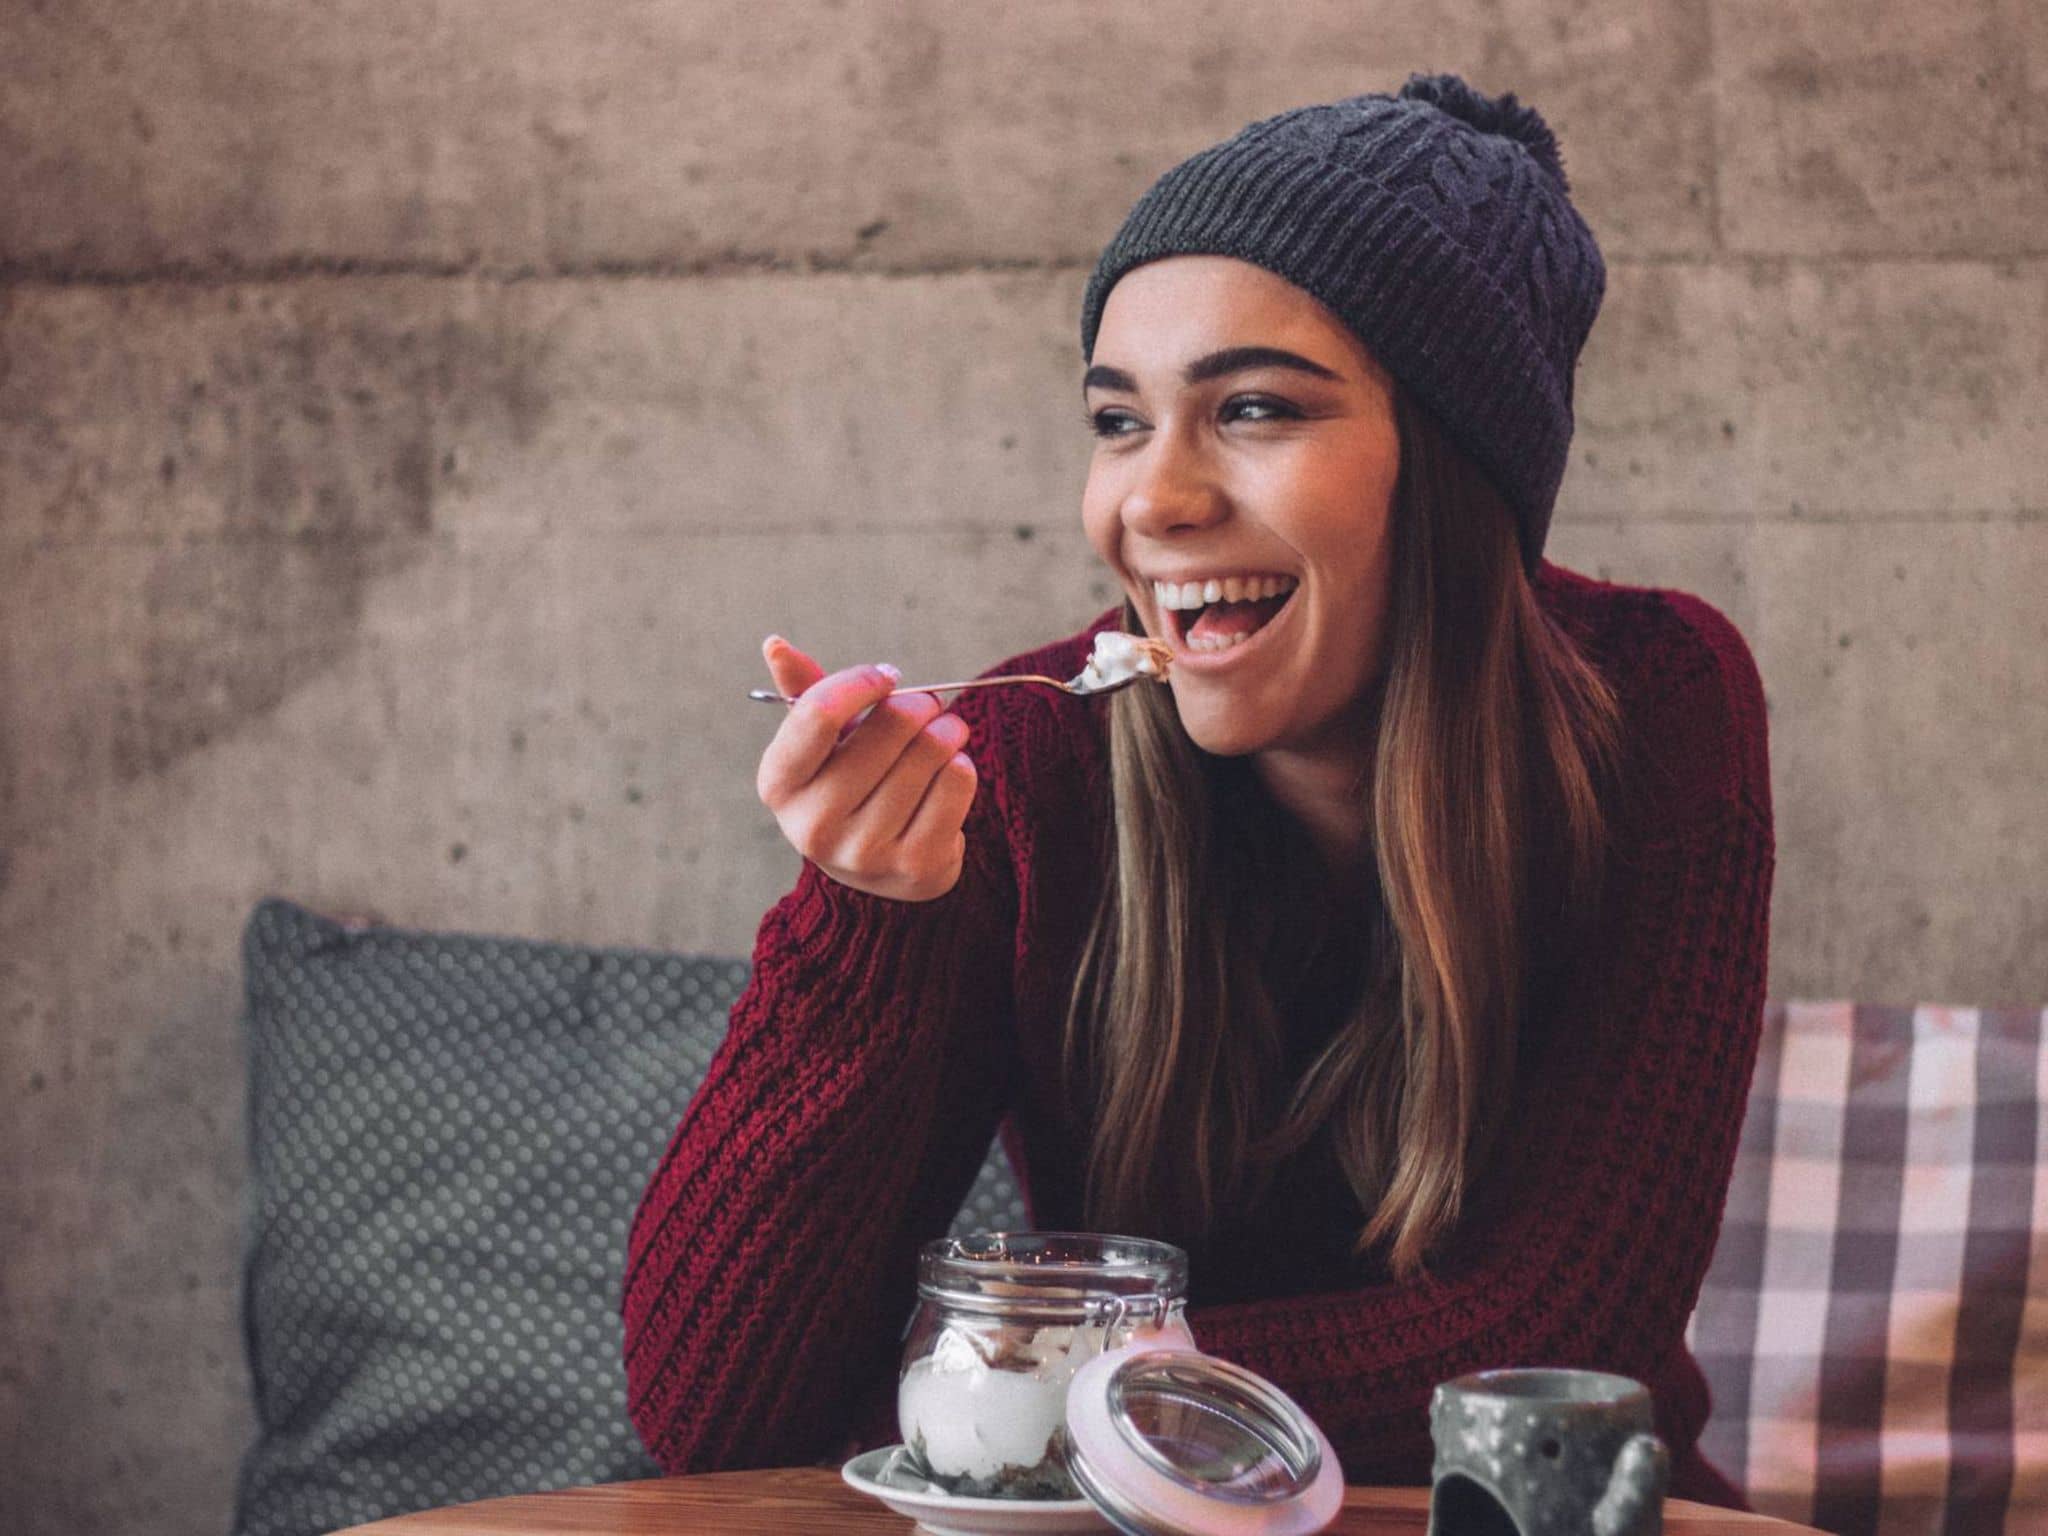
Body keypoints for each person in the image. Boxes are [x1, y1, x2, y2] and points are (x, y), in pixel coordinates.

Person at [623, 74, 1773, 1507]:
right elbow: (715, 1408)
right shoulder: (1025, 767)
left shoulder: (1655, 708)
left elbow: (1545, 1349)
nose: (1151, 501)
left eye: (1252, 409)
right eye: (1118, 420)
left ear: (1456, 468)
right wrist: (871, 920)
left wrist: (1027, 1405)